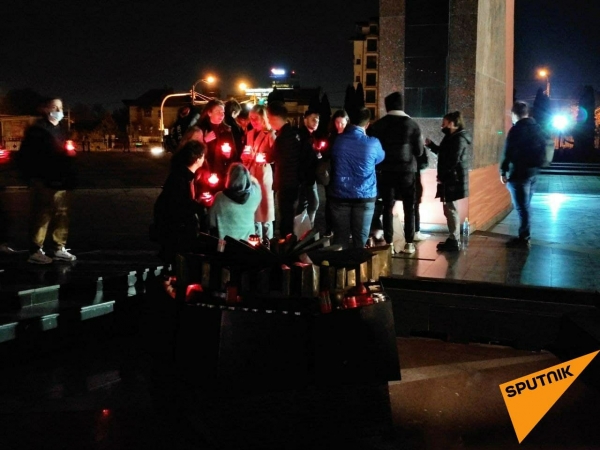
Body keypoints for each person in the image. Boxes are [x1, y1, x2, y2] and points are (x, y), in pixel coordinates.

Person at [16, 97, 78, 264]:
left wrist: (69, 154)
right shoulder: (37, 131)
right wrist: (33, 178)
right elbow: (26, 156)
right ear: (45, 109)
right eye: (54, 107)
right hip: (43, 179)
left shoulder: (62, 130)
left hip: (61, 179)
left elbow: (65, 153)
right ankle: (35, 251)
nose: (58, 111)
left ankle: (59, 248)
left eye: (60, 107)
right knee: (42, 215)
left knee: (62, 214)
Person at [368, 91, 424, 254]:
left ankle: (390, 243)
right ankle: (409, 243)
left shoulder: (379, 125)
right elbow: (419, 151)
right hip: (407, 172)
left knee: (387, 207)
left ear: (387, 106)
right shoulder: (412, 124)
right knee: (409, 207)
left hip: (385, 171)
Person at [328, 107, 385, 249]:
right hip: (365, 195)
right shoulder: (373, 143)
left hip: (340, 195)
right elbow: (380, 158)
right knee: (360, 239)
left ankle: (341, 262)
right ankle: (358, 261)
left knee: (340, 239)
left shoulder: (337, 141)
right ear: (367, 124)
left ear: (349, 121)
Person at [499, 101, 547, 248]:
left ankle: (524, 238)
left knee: (521, 207)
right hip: (533, 173)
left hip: (519, 173)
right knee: (525, 206)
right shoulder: (537, 128)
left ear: (514, 114)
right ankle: (524, 236)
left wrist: (503, 171)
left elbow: (508, 151)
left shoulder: (516, 130)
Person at [154, 140, 207, 264]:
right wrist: (199, 206)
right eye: (203, 155)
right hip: (175, 230)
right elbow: (179, 205)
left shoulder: (184, 174)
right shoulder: (180, 178)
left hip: (175, 228)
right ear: (198, 159)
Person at [425, 111, 471, 252]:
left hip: (452, 180)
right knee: (449, 208)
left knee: (450, 209)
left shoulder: (458, 139)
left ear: (452, 123)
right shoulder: (452, 137)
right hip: (450, 179)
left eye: (444, 123)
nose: (442, 126)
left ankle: (454, 239)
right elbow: (444, 153)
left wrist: (443, 176)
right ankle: (453, 238)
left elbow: (452, 160)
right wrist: (432, 145)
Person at [266, 101, 302, 238]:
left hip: (286, 182)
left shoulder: (282, 138)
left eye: (268, 118)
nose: (268, 121)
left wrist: (265, 156)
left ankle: (286, 241)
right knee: (288, 213)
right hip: (294, 180)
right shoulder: (293, 133)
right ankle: (287, 238)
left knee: (286, 214)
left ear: (274, 118)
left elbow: (272, 157)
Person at [244, 105, 276, 243]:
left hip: (264, 174)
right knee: (254, 209)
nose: (253, 121)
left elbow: (275, 154)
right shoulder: (249, 133)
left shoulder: (270, 133)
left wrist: (266, 157)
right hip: (251, 173)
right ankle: (257, 241)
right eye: (251, 118)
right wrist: (245, 156)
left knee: (266, 210)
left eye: (255, 118)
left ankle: (268, 242)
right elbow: (247, 150)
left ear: (263, 118)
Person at [208, 163, 261, 241]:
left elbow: (211, 222)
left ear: (229, 178)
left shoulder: (220, 198)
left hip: (227, 244)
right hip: (247, 244)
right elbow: (255, 183)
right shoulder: (255, 194)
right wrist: (246, 174)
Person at [194, 99, 237, 191]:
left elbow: (234, 152)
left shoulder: (226, 130)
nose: (222, 115)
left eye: (223, 112)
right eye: (218, 112)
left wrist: (229, 155)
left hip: (222, 171)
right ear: (209, 113)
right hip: (205, 171)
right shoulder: (200, 129)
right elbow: (192, 150)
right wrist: (204, 140)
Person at [323, 109, 349, 237]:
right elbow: (326, 154)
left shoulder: (350, 137)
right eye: (337, 123)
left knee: (345, 202)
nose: (339, 126)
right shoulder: (331, 137)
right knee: (330, 202)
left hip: (346, 175)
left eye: (342, 123)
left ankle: (344, 228)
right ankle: (329, 228)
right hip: (332, 174)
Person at [296, 109, 321, 228]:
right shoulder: (302, 136)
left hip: (308, 177)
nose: (316, 122)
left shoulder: (311, 136)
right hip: (304, 177)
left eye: (318, 120)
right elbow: (302, 157)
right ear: (305, 120)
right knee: (312, 203)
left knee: (307, 204)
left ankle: (303, 229)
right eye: (313, 119)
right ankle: (304, 230)